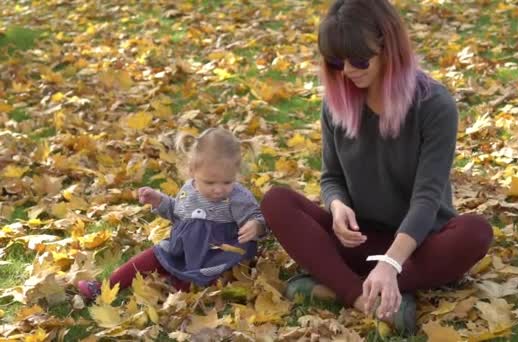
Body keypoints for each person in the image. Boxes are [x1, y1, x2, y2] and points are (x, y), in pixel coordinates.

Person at [260, 0, 493, 336]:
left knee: (476, 232)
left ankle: (337, 285)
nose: (347, 72)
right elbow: (332, 177)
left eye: (358, 60)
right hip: (359, 241)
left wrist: (392, 261)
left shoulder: (434, 106)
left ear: (389, 48)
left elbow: (427, 198)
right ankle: (367, 297)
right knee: (276, 201)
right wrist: (337, 207)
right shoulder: (337, 102)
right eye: (336, 62)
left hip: (417, 246)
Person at [78, 128, 266, 299]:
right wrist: (159, 200)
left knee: (194, 280)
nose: (218, 189)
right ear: (193, 171)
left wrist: (255, 226)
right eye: (209, 183)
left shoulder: (237, 197)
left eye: (227, 182)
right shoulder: (189, 189)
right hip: (182, 249)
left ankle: (173, 289)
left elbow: (256, 216)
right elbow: (180, 215)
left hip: (215, 256)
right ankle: (106, 286)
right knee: (152, 255)